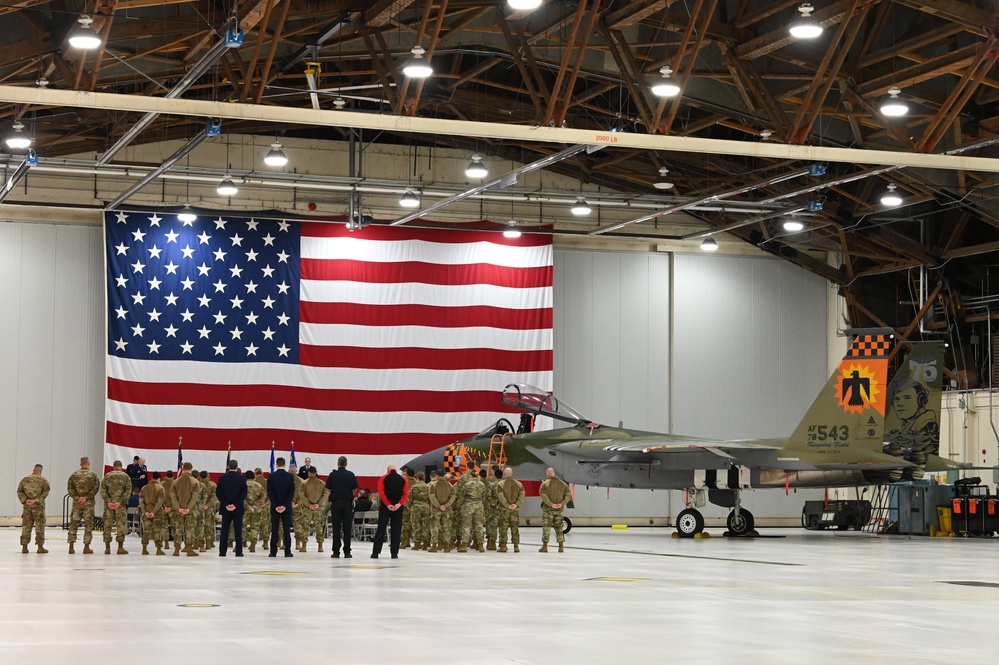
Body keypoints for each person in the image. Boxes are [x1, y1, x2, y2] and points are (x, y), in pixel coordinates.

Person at [371, 465, 409, 559]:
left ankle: (375, 552)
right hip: (398, 506)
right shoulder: (403, 479)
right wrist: (399, 504)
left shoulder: (383, 478)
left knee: (381, 528)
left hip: (386, 505)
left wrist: (388, 504)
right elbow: (406, 493)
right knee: (396, 529)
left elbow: (381, 492)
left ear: (388, 470)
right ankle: (394, 553)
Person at [326, 456, 359, 559]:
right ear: (346, 464)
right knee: (347, 528)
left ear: (338, 464)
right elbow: (355, 489)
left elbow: (328, 490)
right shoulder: (351, 475)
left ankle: (336, 552)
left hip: (336, 503)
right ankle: (347, 552)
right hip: (347, 503)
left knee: (336, 528)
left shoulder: (332, 475)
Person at [67, 456, 100, 554]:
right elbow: (96, 488)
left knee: (74, 524)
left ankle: (71, 546)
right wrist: (86, 497)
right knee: (88, 525)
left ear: (80, 464)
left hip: (77, 504)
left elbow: (70, 488)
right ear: (88, 464)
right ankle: (86, 547)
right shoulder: (93, 475)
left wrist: (78, 498)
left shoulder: (74, 475)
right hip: (88, 504)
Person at [216, 459, 247, 557]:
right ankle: (238, 552)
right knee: (238, 530)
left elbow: (218, 493)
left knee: (225, 530)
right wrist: (235, 505)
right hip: (237, 509)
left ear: (228, 467)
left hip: (225, 509)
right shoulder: (242, 478)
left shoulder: (222, 478)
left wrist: (226, 504)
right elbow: (243, 494)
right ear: (237, 467)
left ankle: (222, 551)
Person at [169, 462, 201, 556]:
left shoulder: (175, 481)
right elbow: (194, 497)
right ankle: (189, 549)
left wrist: (178, 508)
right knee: (190, 529)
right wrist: (188, 508)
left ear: (183, 468)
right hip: (190, 511)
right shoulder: (195, 482)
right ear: (191, 469)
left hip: (178, 510)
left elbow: (173, 496)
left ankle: (176, 549)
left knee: (178, 528)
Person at [17, 464, 50, 554]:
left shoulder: (24, 480)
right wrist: (36, 500)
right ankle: (40, 547)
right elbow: (46, 492)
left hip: (27, 507)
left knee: (26, 526)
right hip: (38, 507)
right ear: (41, 471)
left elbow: (19, 491)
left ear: (33, 469)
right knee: (40, 526)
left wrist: (25, 501)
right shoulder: (43, 480)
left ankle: (24, 547)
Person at [101, 460, 132, 555]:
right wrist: (120, 502)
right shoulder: (126, 477)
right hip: (120, 506)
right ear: (121, 467)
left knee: (107, 525)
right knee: (120, 525)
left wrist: (109, 501)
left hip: (108, 505)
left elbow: (103, 490)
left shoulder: (107, 476)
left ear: (113, 467)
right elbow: (128, 491)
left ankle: (107, 547)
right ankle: (120, 547)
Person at [268, 457, 296, 557]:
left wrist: (276, 505)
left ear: (276, 464)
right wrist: (285, 505)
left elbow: (270, 493)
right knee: (286, 530)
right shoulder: (290, 477)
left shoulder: (271, 476)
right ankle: (287, 551)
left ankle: (273, 552)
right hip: (286, 507)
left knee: (274, 530)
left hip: (275, 508)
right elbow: (291, 493)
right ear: (284, 465)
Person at [298, 467, 329, 552]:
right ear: (316, 472)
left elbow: (301, 494)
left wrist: (308, 504)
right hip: (318, 509)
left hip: (307, 509)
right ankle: (320, 546)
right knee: (319, 527)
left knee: (305, 527)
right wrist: (318, 504)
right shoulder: (322, 483)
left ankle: (304, 546)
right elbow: (326, 494)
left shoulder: (304, 483)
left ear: (309, 473)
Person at [539, 467, 570, 553]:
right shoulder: (563, 484)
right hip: (559, 510)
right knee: (559, 528)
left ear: (547, 474)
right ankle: (561, 547)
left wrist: (551, 504)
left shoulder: (545, 484)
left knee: (546, 528)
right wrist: (562, 503)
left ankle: (545, 547)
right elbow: (568, 495)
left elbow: (543, 495)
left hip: (548, 510)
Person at [496, 468, 525, 553]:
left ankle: (503, 546)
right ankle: (516, 546)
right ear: (512, 474)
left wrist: (507, 505)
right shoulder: (519, 484)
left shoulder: (500, 484)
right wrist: (516, 504)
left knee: (503, 528)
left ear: (504, 474)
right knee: (515, 528)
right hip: (515, 510)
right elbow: (522, 495)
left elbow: (501, 496)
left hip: (504, 510)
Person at [457, 469, 487, 553]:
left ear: (471, 476)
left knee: (466, 526)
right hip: (479, 506)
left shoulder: (467, 485)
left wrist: (459, 506)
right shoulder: (482, 485)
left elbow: (462, 495)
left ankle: (464, 545)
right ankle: (480, 545)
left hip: (468, 506)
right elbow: (484, 496)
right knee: (479, 525)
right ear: (477, 476)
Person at [138, 472, 166, 555]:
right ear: (158, 479)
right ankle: (158, 549)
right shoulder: (160, 488)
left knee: (146, 531)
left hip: (146, 513)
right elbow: (160, 502)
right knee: (157, 531)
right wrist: (154, 512)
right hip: (157, 513)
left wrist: (145, 511)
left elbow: (141, 501)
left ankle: (144, 548)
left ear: (151, 478)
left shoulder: (144, 488)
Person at [428, 469, 455, 553]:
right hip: (446, 509)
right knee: (446, 527)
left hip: (436, 509)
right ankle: (446, 546)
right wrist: (445, 505)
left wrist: (439, 506)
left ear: (436, 475)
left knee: (435, 526)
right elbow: (453, 497)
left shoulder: (433, 485)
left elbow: (431, 497)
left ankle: (434, 546)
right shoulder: (450, 485)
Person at [408, 471, 431, 550]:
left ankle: (417, 544)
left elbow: (410, 497)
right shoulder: (428, 487)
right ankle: (425, 544)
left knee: (416, 525)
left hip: (416, 508)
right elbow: (430, 498)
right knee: (425, 526)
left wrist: (409, 506)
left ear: (416, 477)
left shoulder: (414, 487)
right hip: (426, 507)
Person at [241, 470, 264, 552]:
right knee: (254, 527)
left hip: (244, 509)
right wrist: (256, 506)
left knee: (242, 527)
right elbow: (262, 497)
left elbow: (241, 498)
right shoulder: (259, 485)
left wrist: (248, 506)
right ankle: (253, 544)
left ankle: (240, 544)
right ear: (254, 476)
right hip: (256, 510)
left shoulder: (242, 485)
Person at [485, 467, 503, 550]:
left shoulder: (492, 485)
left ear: (495, 476)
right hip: (504, 508)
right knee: (503, 527)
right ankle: (503, 544)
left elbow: (488, 496)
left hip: (493, 509)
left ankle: (492, 544)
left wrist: (495, 504)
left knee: (493, 526)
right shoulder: (504, 484)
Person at [199, 470, 218, 550]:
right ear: (208, 476)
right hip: (209, 508)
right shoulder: (212, 484)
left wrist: (200, 506)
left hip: (199, 508)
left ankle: (199, 544)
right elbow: (214, 497)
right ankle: (209, 543)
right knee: (208, 525)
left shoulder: (197, 484)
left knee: (199, 526)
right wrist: (208, 505)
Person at [161, 469, 176, 546]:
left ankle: (166, 542)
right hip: (173, 508)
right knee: (174, 525)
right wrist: (171, 507)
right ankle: (175, 542)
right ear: (173, 476)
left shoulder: (161, 484)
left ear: (165, 475)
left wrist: (164, 506)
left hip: (163, 507)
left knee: (164, 525)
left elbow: (159, 497)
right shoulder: (176, 483)